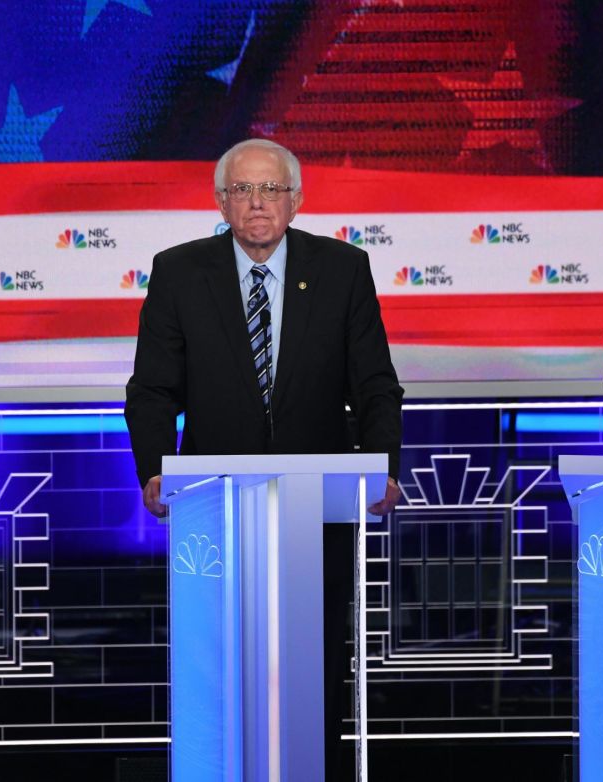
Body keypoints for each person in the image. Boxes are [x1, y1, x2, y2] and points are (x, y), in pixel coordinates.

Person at [125, 138, 404, 778]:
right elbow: (152, 389)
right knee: (216, 660)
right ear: (221, 201)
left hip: (319, 505)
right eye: (243, 191)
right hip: (212, 506)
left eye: (271, 190)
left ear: (297, 200)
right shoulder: (178, 271)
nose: (258, 203)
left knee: (315, 663)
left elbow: (375, 385)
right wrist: (153, 469)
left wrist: (383, 464)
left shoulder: (343, 268)